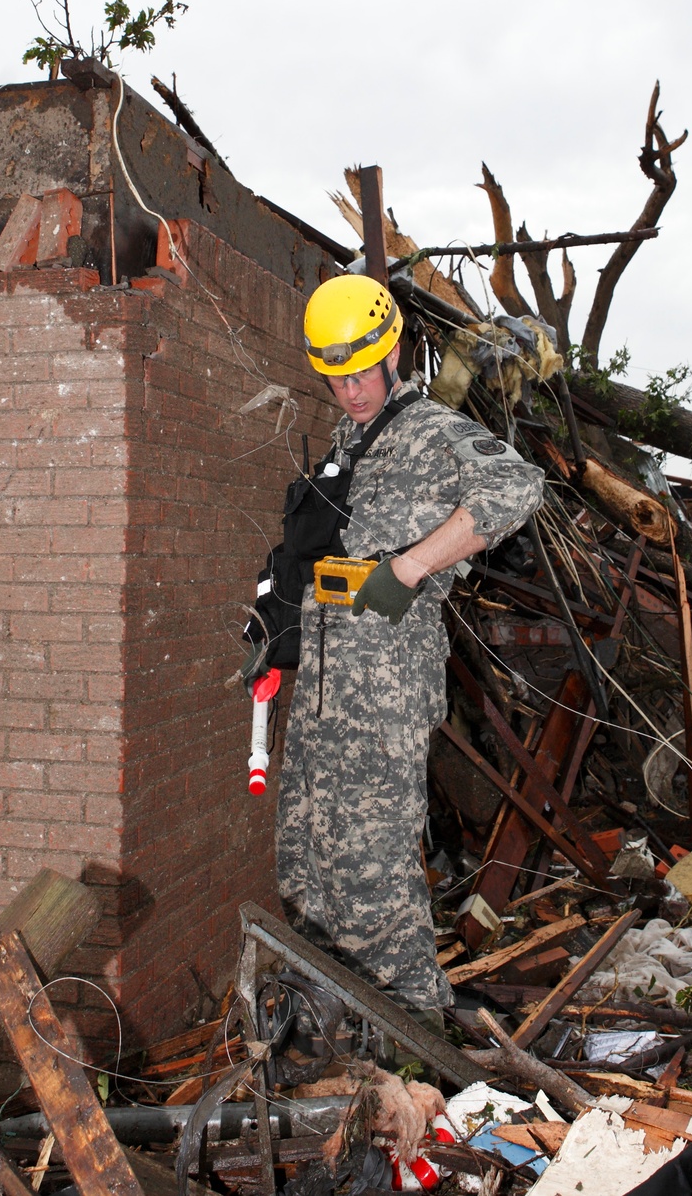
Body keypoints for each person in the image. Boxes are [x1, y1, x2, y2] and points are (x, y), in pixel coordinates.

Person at [274, 273, 544, 1025]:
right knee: (305, 861)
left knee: (374, 873)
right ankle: (338, 1033)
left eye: (362, 371)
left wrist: (412, 566)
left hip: (384, 689)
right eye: (335, 377)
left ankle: (413, 1035)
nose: (352, 389)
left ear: (392, 351)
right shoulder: (348, 442)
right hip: (326, 683)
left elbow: (518, 487)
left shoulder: (428, 428)